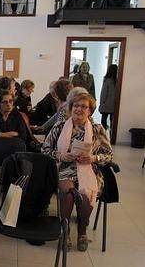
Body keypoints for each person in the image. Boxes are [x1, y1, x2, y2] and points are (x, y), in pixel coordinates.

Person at [42, 92, 113, 252]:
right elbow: (45, 150)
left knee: (86, 193)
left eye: (84, 106)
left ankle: (82, 230)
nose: (79, 109)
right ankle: (65, 231)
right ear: (70, 108)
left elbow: (109, 155)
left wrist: (93, 158)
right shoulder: (60, 126)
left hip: (89, 169)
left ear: (90, 110)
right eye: (76, 106)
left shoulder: (97, 129)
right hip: (64, 168)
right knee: (68, 192)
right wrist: (61, 155)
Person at [98, 64, 117, 130]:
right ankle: (112, 133)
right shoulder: (118, 81)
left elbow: (104, 93)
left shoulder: (107, 80)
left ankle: (103, 133)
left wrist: (101, 103)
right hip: (115, 104)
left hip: (106, 103)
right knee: (113, 120)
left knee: (104, 119)